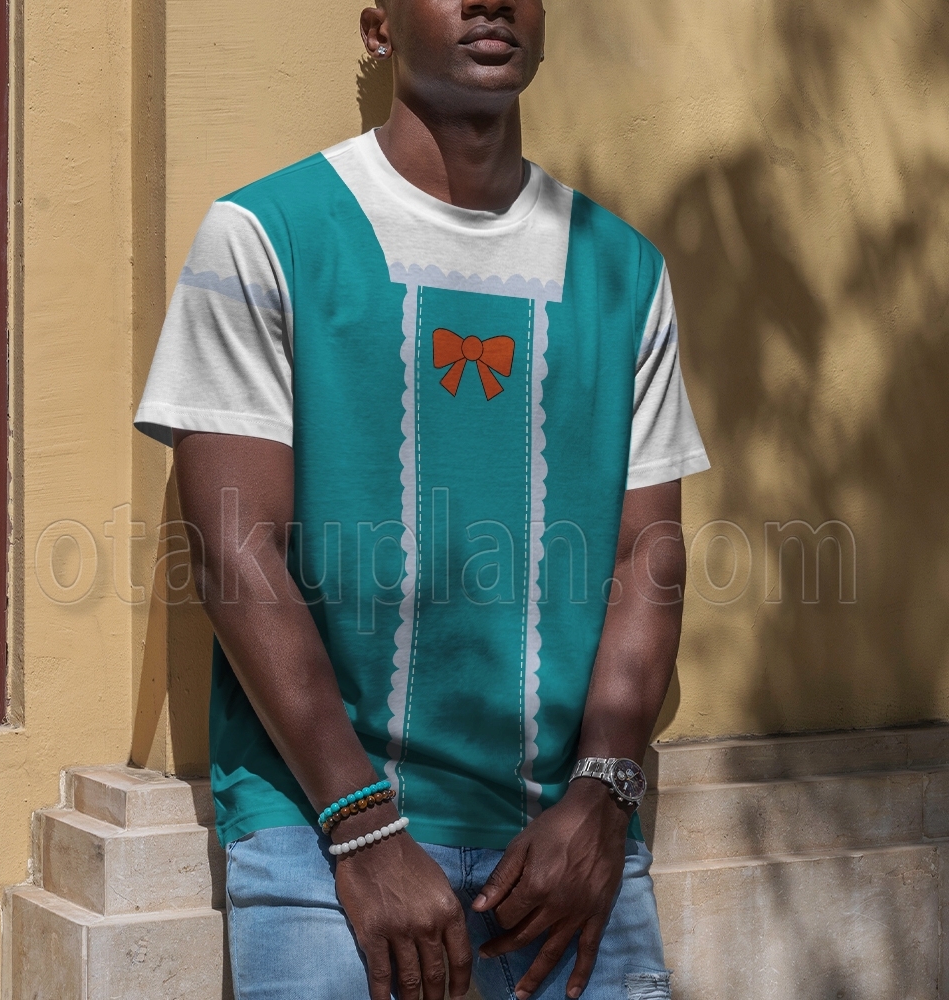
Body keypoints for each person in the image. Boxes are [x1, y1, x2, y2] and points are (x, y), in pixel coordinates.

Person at [135, 1, 709, 997]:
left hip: (562, 837)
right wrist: (362, 826)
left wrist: (601, 795)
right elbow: (234, 550)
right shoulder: (265, 236)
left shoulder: (623, 271)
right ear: (378, 29)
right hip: (319, 826)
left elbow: (645, 557)